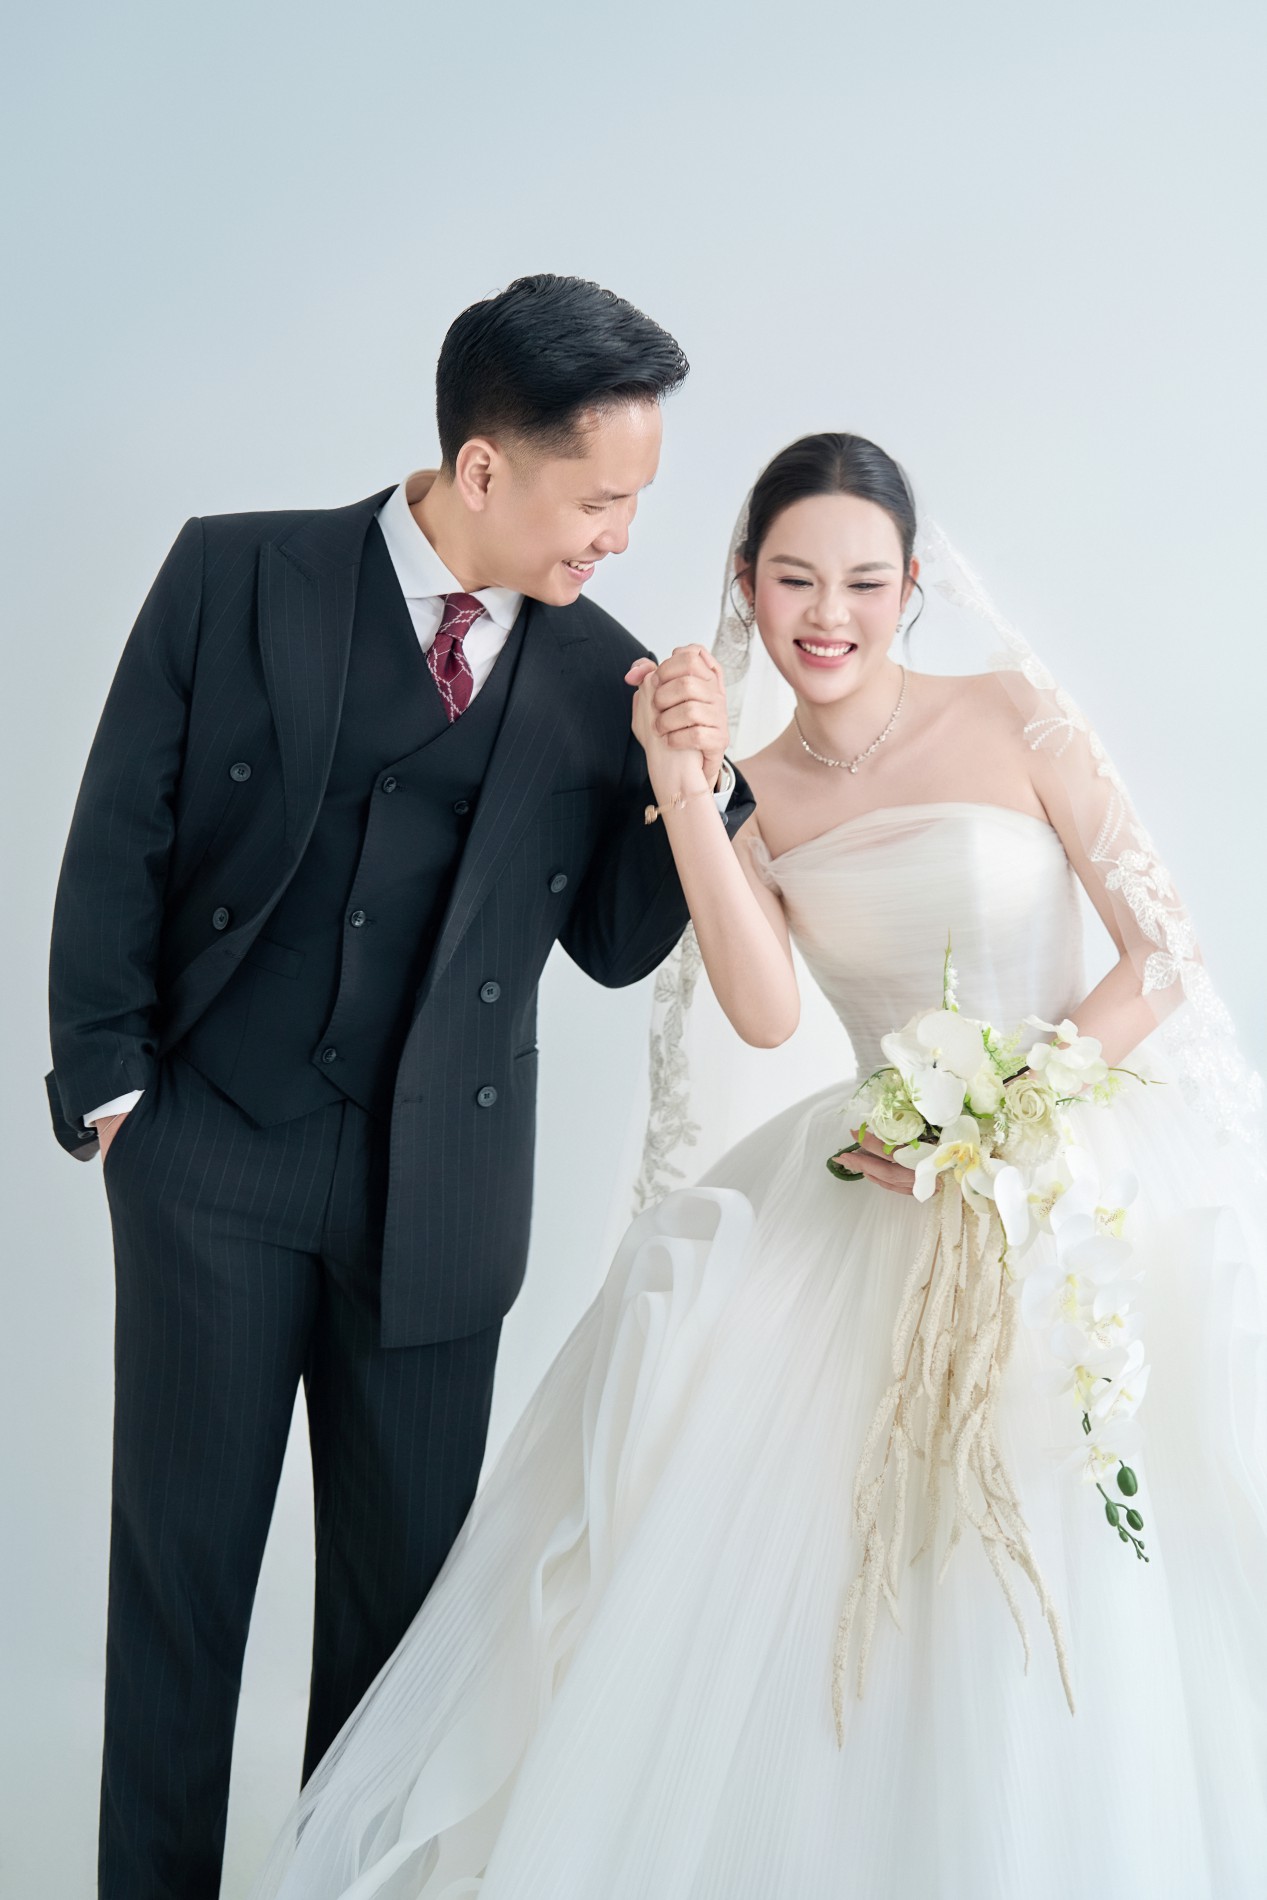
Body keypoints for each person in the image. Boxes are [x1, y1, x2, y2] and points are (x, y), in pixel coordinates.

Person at [248, 432, 1267, 1899]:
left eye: (863, 582)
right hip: (874, 1174)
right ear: (745, 582)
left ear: (911, 588)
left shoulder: (1013, 718)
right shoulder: (758, 789)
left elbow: (1162, 951)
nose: (827, 614)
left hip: (1066, 1155)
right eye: (794, 579)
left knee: (1073, 1528)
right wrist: (685, 785)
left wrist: (1003, 1110)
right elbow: (767, 1011)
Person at [45, 273, 754, 1900]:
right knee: (179, 1601)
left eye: (638, 502)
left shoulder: (604, 675)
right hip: (209, 1165)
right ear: (484, 467)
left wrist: (694, 780)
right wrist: (113, 1092)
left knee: (400, 1647)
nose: (622, 538)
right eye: (601, 500)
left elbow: (613, 948)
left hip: (438, 1204)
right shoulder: (235, 574)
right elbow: (120, 831)